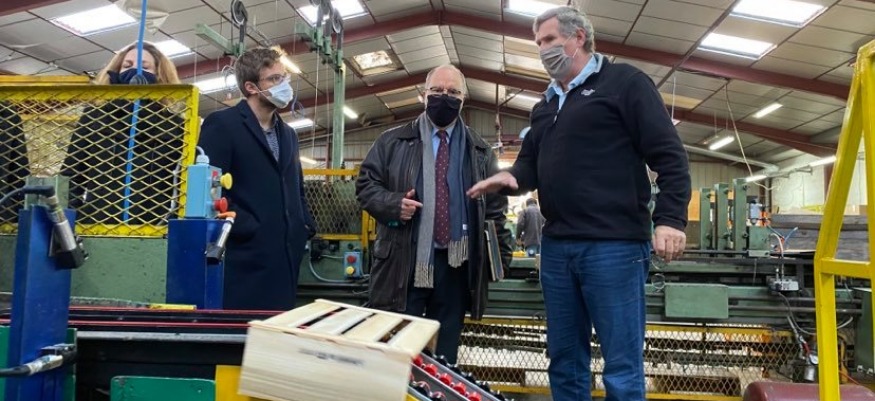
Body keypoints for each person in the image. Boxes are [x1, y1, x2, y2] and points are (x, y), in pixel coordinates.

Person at [467, 6, 691, 401]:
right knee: (565, 359)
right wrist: (511, 177)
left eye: (549, 40)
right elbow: (530, 164)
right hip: (558, 248)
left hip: (614, 246)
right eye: (538, 43)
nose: (542, 49)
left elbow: (669, 154)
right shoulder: (545, 105)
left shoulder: (624, 83)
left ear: (579, 37)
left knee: (621, 366)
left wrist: (670, 219)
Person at [356, 64, 512, 364]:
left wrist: (497, 261)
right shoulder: (392, 142)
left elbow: (495, 211)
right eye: (437, 91)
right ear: (423, 95)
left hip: (456, 268)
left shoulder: (480, 152)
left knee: (445, 354)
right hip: (404, 262)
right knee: (397, 352)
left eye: (453, 92)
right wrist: (393, 204)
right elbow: (365, 186)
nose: (444, 97)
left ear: (464, 98)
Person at [198, 47, 316, 311]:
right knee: (242, 330)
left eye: (284, 77)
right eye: (274, 79)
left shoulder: (288, 134)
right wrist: (248, 226)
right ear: (251, 87)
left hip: (285, 258)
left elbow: (296, 188)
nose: (284, 85)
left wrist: (304, 225)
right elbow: (210, 190)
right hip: (244, 258)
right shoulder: (222, 125)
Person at [63, 41, 183, 227]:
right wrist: (73, 221)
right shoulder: (95, 117)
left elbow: (181, 181)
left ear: (160, 75)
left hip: (154, 227)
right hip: (96, 225)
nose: (135, 72)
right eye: (127, 66)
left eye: (145, 67)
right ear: (116, 71)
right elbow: (72, 174)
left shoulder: (174, 125)